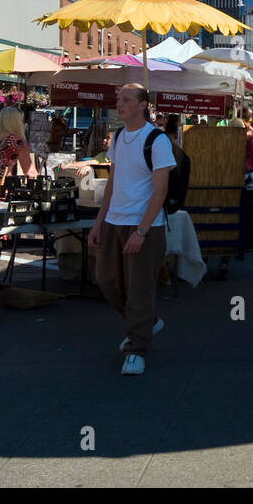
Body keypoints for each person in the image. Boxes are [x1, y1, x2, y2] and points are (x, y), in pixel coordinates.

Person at [87, 84, 175, 377]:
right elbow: (114, 181)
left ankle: (137, 348)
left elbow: (160, 190)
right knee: (106, 280)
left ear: (142, 105)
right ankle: (146, 322)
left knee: (138, 289)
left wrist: (142, 230)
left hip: (143, 224)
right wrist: (99, 223)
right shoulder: (119, 137)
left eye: (126, 99)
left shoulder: (157, 140)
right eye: (118, 99)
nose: (119, 103)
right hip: (114, 221)